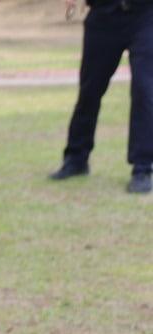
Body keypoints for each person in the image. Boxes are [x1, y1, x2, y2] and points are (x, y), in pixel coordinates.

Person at [49, 0, 152, 194]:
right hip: (104, 12)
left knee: (144, 90)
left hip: (146, 14)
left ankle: (142, 167)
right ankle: (76, 159)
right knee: (90, 90)